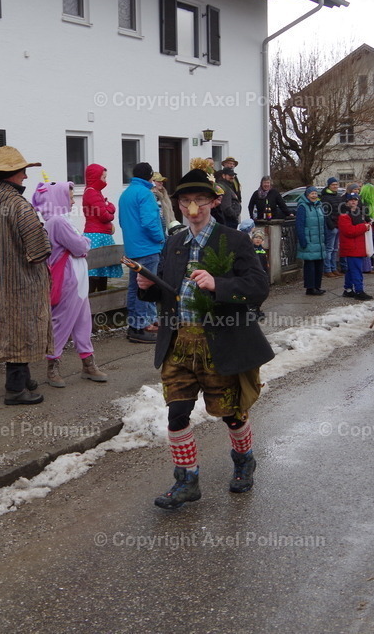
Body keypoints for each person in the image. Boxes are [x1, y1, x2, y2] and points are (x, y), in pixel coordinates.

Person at [136, 168, 274, 509]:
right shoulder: (174, 241)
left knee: (231, 413)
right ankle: (187, 480)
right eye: (185, 200)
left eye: (198, 200)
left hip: (221, 342)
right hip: (179, 343)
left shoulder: (235, 241)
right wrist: (149, 289)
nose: (191, 207)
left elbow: (258, 288)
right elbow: (171, 294)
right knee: (177, 413)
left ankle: (244, 461)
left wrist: (219, 284)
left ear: (214, 201)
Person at [0, 146, 52, 405]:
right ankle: (15, 389)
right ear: (13, 173)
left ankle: (25, 379)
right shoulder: (18, 205)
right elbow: (39, 250)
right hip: (20, 280)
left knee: (8, 329)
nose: (26, 178)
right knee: (21, 330)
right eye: (23, 172)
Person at [32, 179, 109, 387]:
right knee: (61, 323)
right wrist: (84, 243)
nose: (73, 201)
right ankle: (52, 366)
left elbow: (79, 245)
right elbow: (79, 247)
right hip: (69, 282)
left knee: (83, 322)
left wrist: (83, 243)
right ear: (58, 198)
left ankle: (88, 363)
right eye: (69, 196)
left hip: (77, 282)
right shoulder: (58, 222)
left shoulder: (59, 220)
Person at [118, 162, 164, 343]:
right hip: (148, 247)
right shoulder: (145, 193)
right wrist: (160, 238)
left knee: (134, 287)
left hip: (132, 247)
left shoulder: (126, 193)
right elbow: (149, 222)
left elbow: (122, 221)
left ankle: (136, 324)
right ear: (149, 176)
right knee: (146, 287)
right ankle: (141, 327)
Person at [82, 163, 122, 293]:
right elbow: (105, 216)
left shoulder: (95, 192)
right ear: (95, 177)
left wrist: (107, 207)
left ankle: (100, 306)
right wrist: (110, 207)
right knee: (94, 274)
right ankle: (93, 307)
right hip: (96, 236)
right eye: (103, 178)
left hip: (100, 234)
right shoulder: (92, 193)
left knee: (101, 273)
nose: (105, 181)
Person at [338, 195, 373, 301]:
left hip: (357, 245)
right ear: (347, 202)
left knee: (351, 269)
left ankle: (348, 289)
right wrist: (364, 227)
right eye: (351, 200)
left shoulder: (358, 212)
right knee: (356, 269)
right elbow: (349, 231)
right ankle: (359, 291)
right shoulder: (344, 215)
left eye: (355, 200)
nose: (353, 202)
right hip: (352, 246)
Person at [295, 186, 327, 295]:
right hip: (309, 240)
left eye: (315, 193)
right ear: (307, 195)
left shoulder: (319, 206)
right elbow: (299, 225)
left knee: (319, 265)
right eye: (312, 193)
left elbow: (323, 223)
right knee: (310, 266)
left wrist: (325, 237)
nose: (314, 195)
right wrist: (302, 240)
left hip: (319, 240)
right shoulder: (302, 207)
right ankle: (310, 288)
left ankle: (317, 286)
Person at [320, 177, 344, 277]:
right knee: (329, 248)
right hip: (331, 226)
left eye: (336, 184)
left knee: (335, 249)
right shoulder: (325, 197)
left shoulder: (338, 196)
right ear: (329, 185)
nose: (335, 186)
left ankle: (334, 268)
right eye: (333, 185)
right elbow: (326, 213)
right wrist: (331, 226)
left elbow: (341, 210)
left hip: (338, 225)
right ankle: (327, 269)